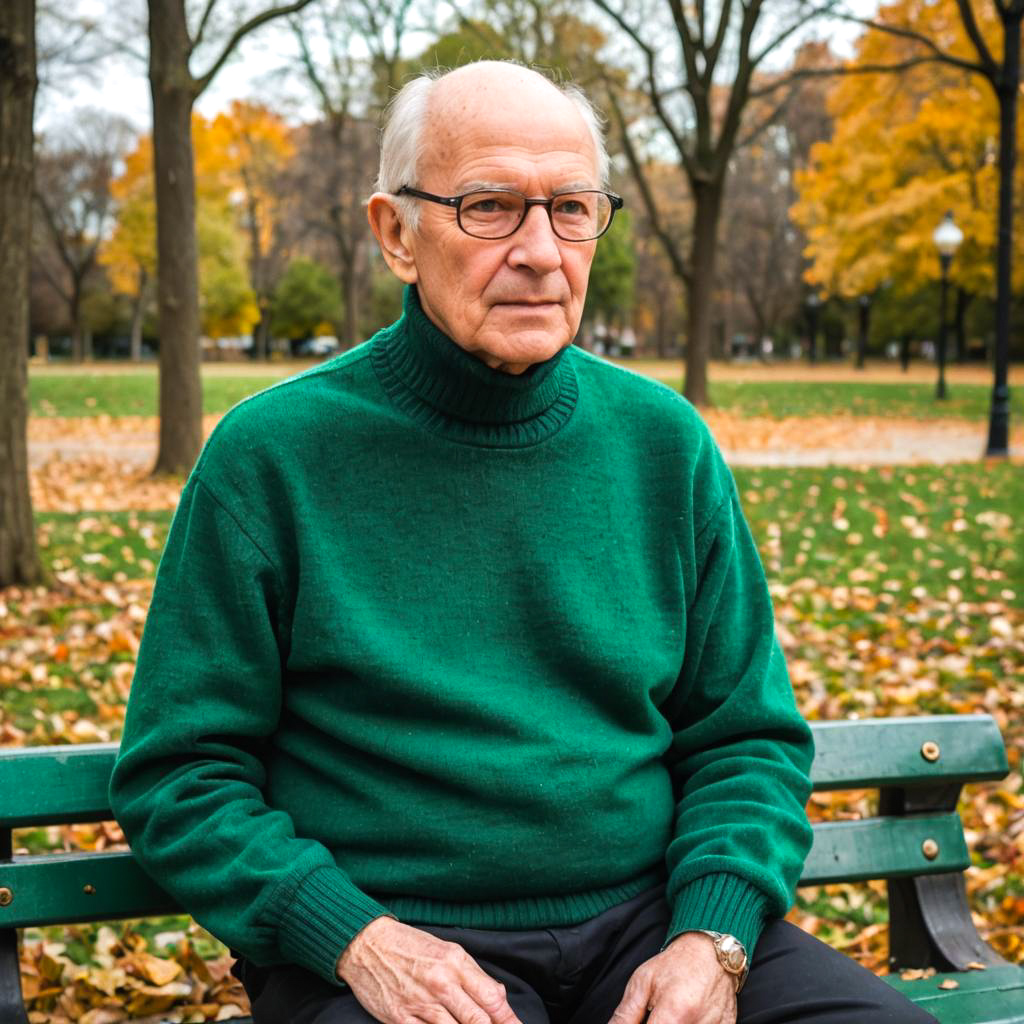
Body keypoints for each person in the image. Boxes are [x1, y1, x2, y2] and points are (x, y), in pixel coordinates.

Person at [109, 60, 936, 1024]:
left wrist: (714, 936)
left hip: (652, 928)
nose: (542, 251)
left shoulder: (664, 445)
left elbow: (744, 738)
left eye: (572, 208)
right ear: (395, 233)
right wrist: (351, 936)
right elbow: (181, 774)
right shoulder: (274, 456)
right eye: (491, 206)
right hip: (396, 946)